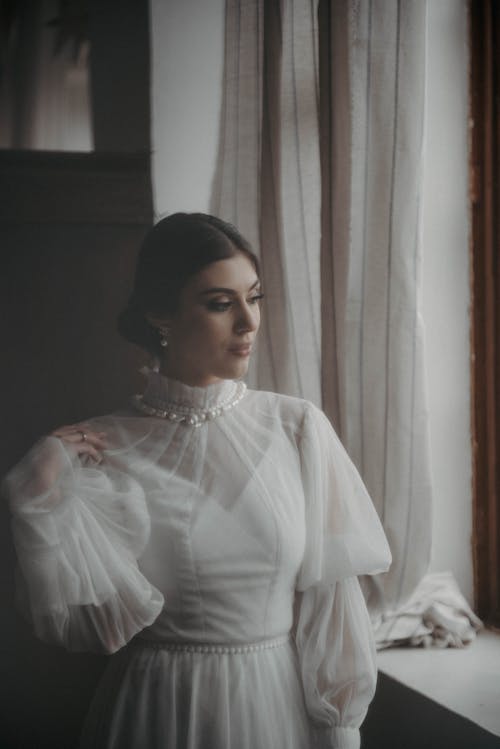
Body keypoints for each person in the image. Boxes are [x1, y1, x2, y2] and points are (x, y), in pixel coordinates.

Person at [4, 213, 391, 749]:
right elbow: (73, 622)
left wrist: (340, 729)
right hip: (153, 710)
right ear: (161, 313)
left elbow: (332, 605)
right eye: (220, 303)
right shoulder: (98, 448)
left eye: (254, 297)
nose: (249, 322)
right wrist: (40, 491)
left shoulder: (296, 427)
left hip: (272, 706)